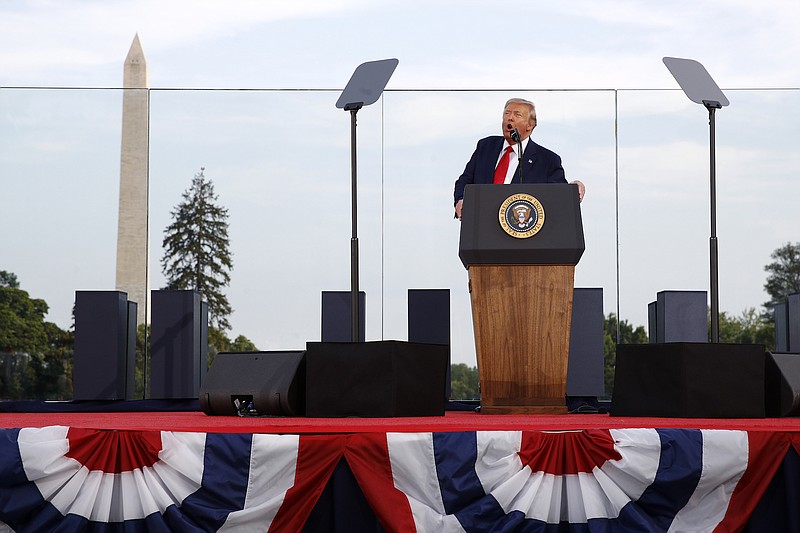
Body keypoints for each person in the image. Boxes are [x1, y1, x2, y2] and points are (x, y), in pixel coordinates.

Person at [453, 98, 585, 220]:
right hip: (482, 225)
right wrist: (461, 199)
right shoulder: (486, 146)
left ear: (530, 125)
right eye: (507, 113)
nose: (509, 118)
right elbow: (465, 180)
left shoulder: (547, 160)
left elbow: (558, 196)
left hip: (523, 234)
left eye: (517, 115)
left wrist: (573, 189)